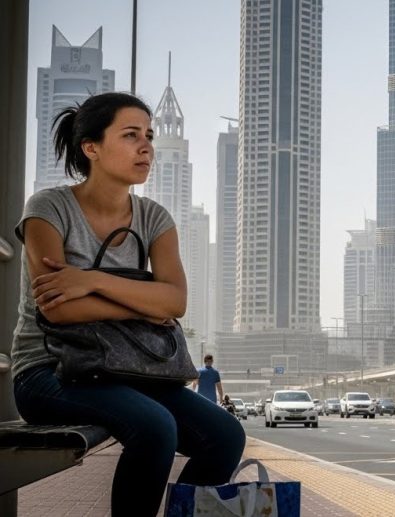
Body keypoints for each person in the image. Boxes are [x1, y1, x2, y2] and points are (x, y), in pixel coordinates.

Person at [10, 92, 245, 516]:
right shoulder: (48, 208)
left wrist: (91, 281)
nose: (146, 147)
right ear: (92, 148)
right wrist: (144, 302)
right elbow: (58, 310)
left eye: (149, 136)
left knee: (225, 435)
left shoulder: (154, 218)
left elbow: (176, 300)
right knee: (156, 427)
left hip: (128, 370)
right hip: (51, 371)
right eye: (131, 135)